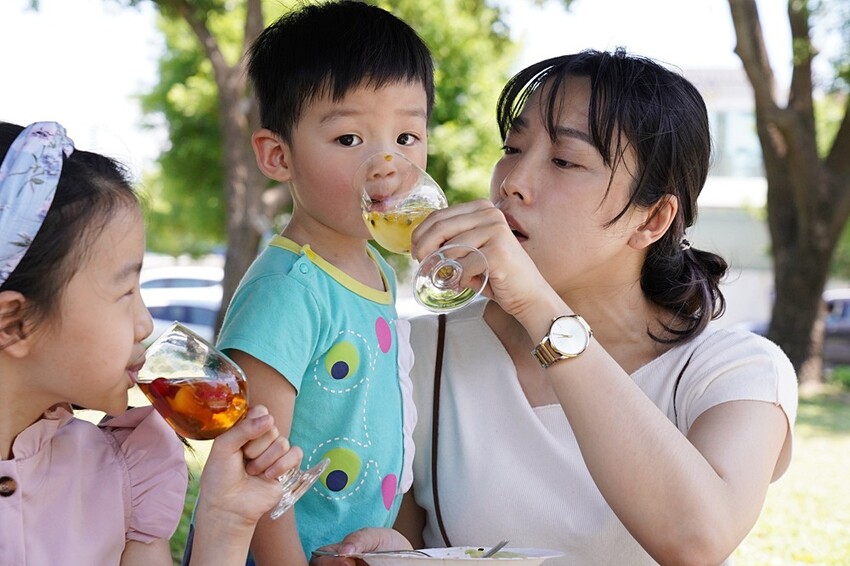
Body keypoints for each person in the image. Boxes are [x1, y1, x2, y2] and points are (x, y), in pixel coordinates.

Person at [314, 48, 798, 565]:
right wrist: (391, 552)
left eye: (565, 160)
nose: (512, 182)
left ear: (653, 218)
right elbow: (409, 538)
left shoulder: (735, 372)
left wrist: (538, 308)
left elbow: (697, 539)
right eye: (513, 146)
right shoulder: (420, 352)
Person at [0, 120, 302, 565]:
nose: (144, 323)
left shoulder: (125, 473)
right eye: (125, 292)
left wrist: (226, 520)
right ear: (14, 324)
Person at [211, 1, 434, 564]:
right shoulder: (289, 290)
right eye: (349, 140)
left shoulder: (378, 271)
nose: (387, 165)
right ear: (278, 155)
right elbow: (253, 469)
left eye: (407, 136)